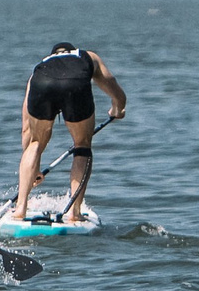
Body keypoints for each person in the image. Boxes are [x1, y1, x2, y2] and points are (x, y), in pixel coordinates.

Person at [12, 43, 125, 224]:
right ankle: (75, 212)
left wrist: (34, 170)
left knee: (35, 144)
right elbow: (111, 84)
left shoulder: (39, 69)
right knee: (82, 146)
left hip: (42, 84)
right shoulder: (89, 56)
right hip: (76, 83)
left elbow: (26, 128)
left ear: (53, 54)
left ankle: (20, 209)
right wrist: (118, 108)